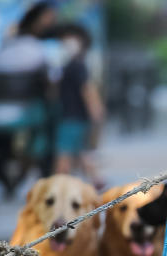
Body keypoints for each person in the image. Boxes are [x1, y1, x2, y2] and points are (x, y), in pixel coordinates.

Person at [52, 23, 105, 187]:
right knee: (82, 152)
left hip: (72, 117)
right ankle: (96, 181)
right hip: (74, 116)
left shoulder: (76, 65)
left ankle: (60, 186)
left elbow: (87, 89)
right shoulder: (71, 64)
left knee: (65, 154)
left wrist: (96, 110)